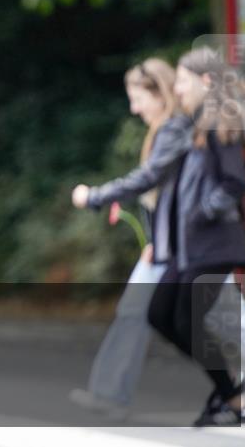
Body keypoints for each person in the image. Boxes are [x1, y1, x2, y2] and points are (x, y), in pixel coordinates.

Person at [70, 58, 186, 418]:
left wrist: (95, 196)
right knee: (133, 313)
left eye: (139, 99)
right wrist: (155, 239)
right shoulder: (167, 130)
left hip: (188, 248)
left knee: (225, 322)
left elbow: (148, 179)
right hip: (166, 247)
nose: (135, 109)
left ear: (160, 92)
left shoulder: (176, 130)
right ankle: (109, 395)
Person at [145, 47, 245, 426]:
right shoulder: (193, 124)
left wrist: (201, 212)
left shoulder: (221, 121)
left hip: (213, 244)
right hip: (189, 247)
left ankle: (233, 399)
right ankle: (228, 392)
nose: (176, 87)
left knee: (188, 319)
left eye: (182, 80)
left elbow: (234, 181)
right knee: (160, 313)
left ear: (205, 81)